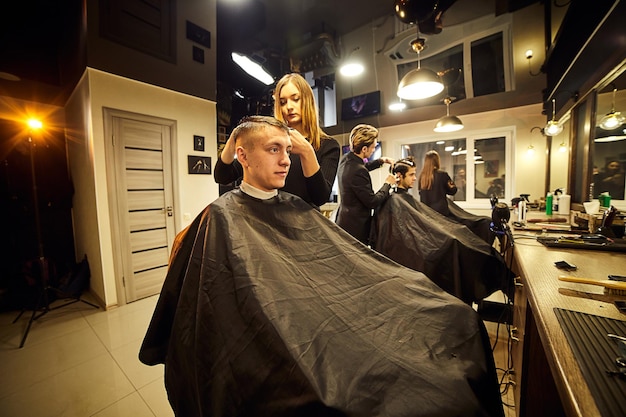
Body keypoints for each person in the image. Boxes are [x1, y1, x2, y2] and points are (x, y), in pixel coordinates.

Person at [139, 116, 504, 417]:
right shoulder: (221, 217)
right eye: (273, 150)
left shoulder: (295, 207)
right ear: (243, 157)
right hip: (288, 330)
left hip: (327, 309)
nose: (285, 160)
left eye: (287, 150)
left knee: (456, 318)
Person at [371, 156, 512, 304]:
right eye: (411, 175)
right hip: (434, 242)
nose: (415, 178)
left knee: (461, 238)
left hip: (437, 230)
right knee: (456, 244)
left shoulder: (402, 199)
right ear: (399, 176)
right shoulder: (394, 201)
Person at [214, 73, 340, 208]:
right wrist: (234, 137)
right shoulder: (268, 143)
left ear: (308, 100)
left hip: (304, 225)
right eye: (283, 102)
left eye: (295, 99)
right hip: (265, 220)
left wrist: (307, 151)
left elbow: (320, 197)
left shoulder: (327, 146)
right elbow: (222, 176)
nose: (289, 107)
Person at [335, 124, 396, 245]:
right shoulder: (358, 170)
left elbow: (362, 167)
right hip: (356, 227)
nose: (374, 149)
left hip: (344, 221)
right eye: (373, 147)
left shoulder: (346, 160)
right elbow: (372, 201)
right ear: (364, 149)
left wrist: (381, 161)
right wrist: (387, 184)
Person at [418, 150, 457, 215]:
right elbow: (453, 191)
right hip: (441, 212)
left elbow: (420, 193)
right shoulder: (443, 175)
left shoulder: (422, 177)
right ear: (437, 161)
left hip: (426, 212)